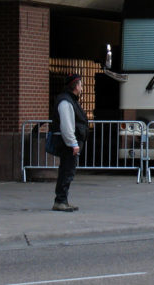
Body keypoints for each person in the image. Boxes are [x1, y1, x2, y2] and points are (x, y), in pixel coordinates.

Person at [50, 73, 88, 211]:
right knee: (67, 172)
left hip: (69, 142)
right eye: (81, 85)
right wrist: (73, 143)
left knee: (66, 171)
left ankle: (62, 200)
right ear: (76, 86)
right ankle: (60, 200)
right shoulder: (66, 102)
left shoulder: (69, 100)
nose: (82, 87)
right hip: (67, 144)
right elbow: (67, 126)